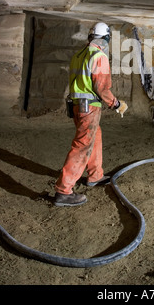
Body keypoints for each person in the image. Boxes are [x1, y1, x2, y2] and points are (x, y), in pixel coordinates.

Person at [54, 22, 128, 207]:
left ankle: (95, 176)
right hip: (90, 108)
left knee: (95, 137)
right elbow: (102, 88)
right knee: (82, 146)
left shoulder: (78, 56)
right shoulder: (99, 56)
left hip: (78, 107)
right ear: (105, 39)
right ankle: (63, 191)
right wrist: (116, 104)